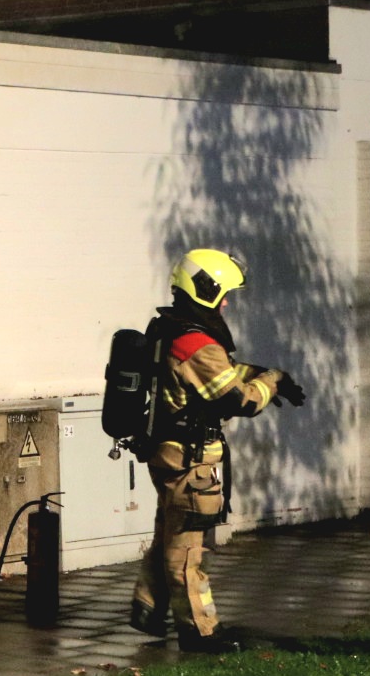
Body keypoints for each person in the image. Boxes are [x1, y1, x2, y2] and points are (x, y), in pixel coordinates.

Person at [129, 249, 305, 653]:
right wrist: (272, 381)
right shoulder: (194, 341)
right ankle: (201, 631)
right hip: (190, 461)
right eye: (224, 293)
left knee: (171, 534)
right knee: (187, 550)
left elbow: (221, 370)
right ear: (205, 289)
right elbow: (239, 400)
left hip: (169, 454)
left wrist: (258, 372)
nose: (226, 302)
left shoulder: (173, 330)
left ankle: (147, 608)